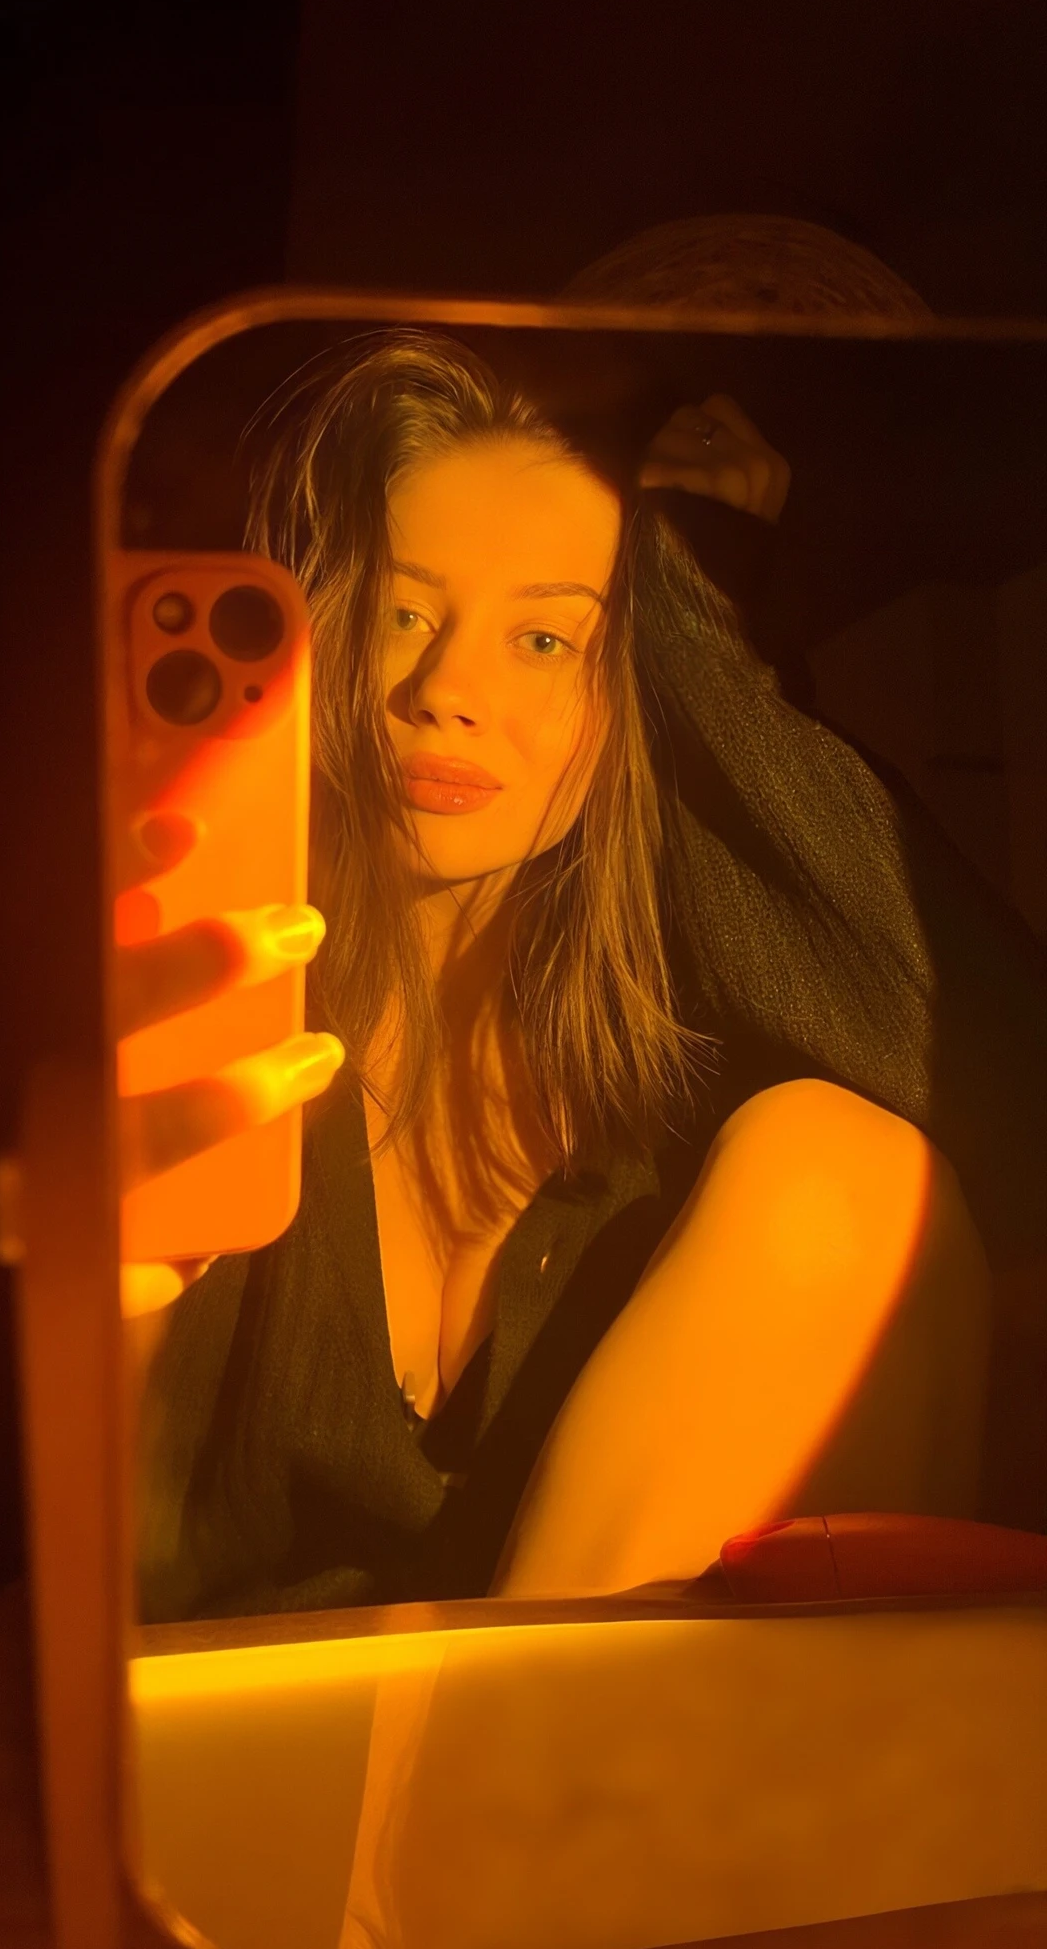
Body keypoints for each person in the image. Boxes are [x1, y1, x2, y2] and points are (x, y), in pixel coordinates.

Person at [127, 235, 1045, 1623]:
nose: (448, 689)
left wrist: (705, 619)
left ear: (635, 691)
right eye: (400, 614)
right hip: (224, 1743)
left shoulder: (687, 1082)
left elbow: (999, 1089)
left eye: (546, 639)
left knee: (851, 1168)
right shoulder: (213, 1024)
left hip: (600, 1750)